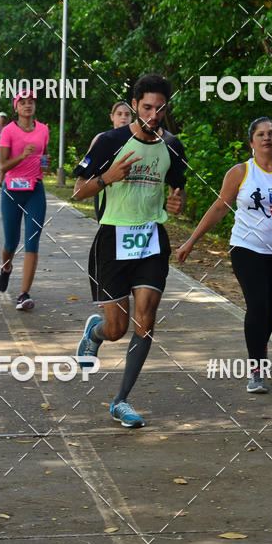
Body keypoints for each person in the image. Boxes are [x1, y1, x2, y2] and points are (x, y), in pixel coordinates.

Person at [177, 116, 272, 394]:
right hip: (247, 248)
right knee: (257, 306)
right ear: (251, 142)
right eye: (261, 134)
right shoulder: (241, 172)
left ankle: (259, 347)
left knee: (270, 309)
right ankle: (257, 370)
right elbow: (219, 208)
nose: (267, 138)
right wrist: (192, 241)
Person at [73, 74, 186, 429]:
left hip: (151, 238)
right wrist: (107, 178)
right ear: (135, 105)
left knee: (146, 320)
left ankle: (121, 400)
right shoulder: (110, 142)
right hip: (113, 239)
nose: (153, 115)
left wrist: (177, 202)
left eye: (160, 109)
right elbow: (78, 190)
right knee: (117, 329)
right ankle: (96, 332)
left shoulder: (173, 146)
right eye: (147, 107)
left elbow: (178, 190)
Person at [0, 91, 50, 310]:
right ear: (16, 107)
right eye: (23, 103)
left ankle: (24, 294)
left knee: (32, 242)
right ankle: (6, 267)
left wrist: (45, 163)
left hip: (35, 189)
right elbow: (3, 166)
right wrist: (22, 156)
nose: (27, 106)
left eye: (31, 102)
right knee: (11, 243)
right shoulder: (8, 131)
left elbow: (44, 155)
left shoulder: (43, 129)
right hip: (12, 190)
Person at [89, 100, 134, 220]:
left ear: (132, 117)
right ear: (112, 117)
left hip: (130, 193)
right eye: (119, 114)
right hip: (105, 192)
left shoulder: (138, 140)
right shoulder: (101, 138)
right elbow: (86, 164)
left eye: (127, 114)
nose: (123, 117)